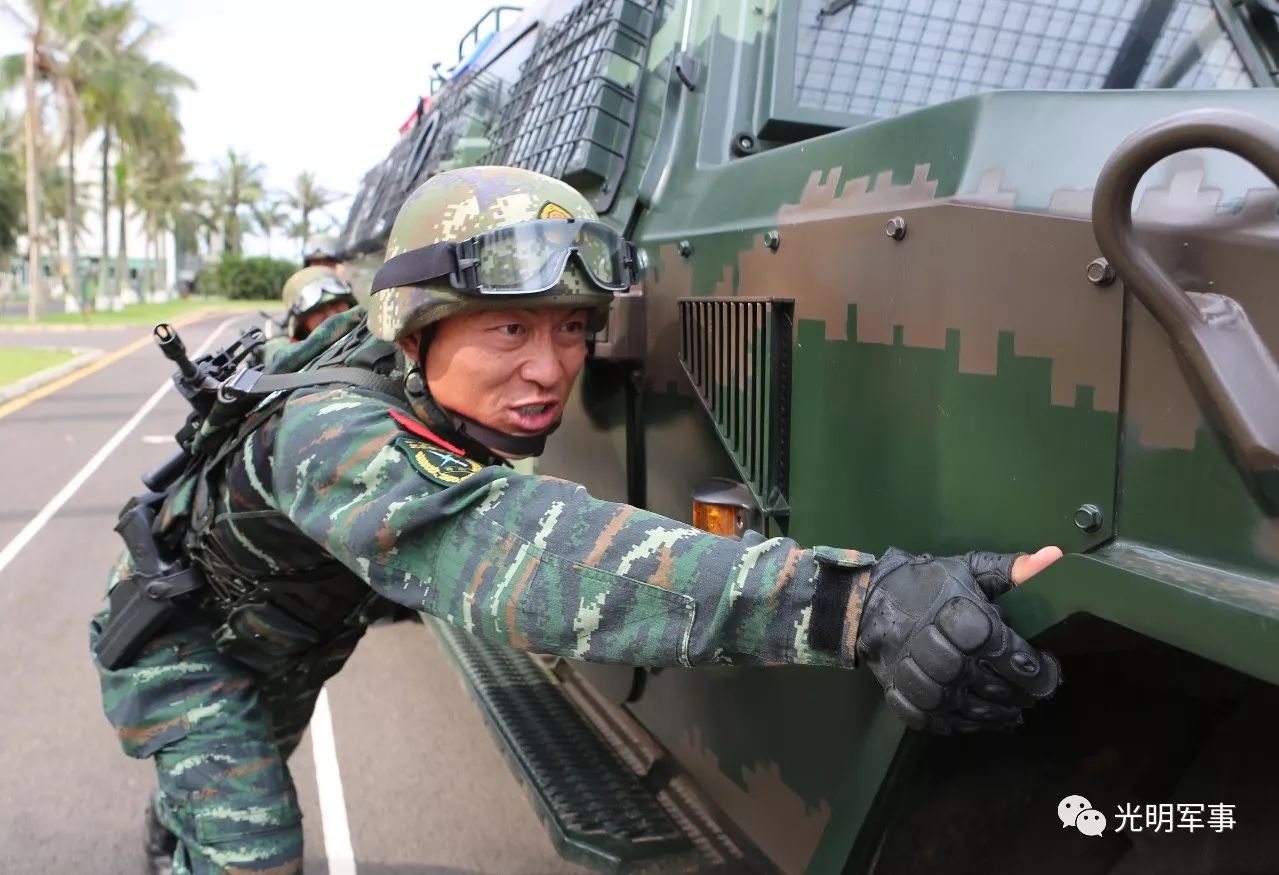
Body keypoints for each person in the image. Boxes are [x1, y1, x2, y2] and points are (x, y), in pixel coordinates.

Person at [90, 166, 1063, 874]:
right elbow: (527, 551)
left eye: (571, 328)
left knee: (223, 788)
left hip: (283, 638)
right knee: (252, 846)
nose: (551, 369)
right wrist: (856, 604)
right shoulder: (333, 433)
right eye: (509, 327)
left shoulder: (417, 379)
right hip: (189, 650)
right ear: (418, 330)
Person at [260, 265, 359, 366]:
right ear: (301, 322)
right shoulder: (282, 349)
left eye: (336, 302)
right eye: (318, 309)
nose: (332, 314)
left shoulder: (368, 328)